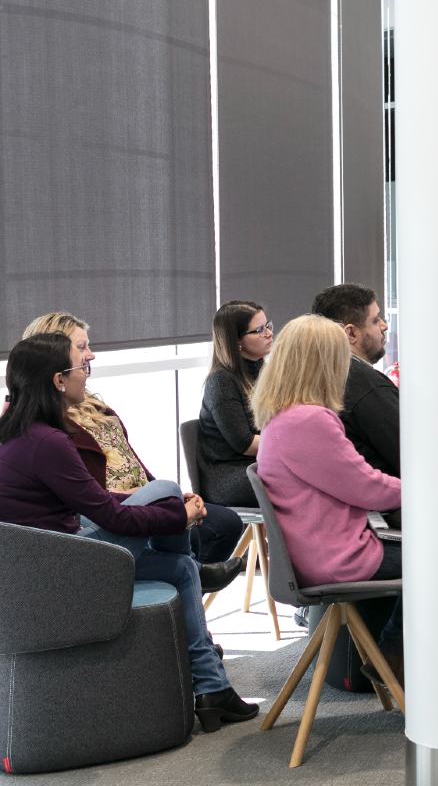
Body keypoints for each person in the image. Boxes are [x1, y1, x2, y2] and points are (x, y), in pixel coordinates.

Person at [0, 334, 258, 731]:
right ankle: (210, 685)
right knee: (168, 492)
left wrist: (171, 513)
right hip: (61, 568)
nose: (86, 374)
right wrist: (180, 517)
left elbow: (96, 504)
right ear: (57, 381)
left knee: (179, 568)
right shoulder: (48, 442)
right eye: (79, 367)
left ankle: (212, 687)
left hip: (41, 562)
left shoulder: (16, 431)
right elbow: (114, 519)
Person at [21, 312, 247, 575]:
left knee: (223, 521)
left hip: (137, 499)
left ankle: (184, 580)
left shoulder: (94, 405)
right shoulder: (49, 429)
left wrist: (169, 496)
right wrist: (166, 503)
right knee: (191, 530)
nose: (91, 355)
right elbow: (86, 496)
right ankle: (187, 576)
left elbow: (131, 460)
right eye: (82, 348)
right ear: (56, 362)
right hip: (111, 510)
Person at [252, 315, 405, 683]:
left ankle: (396, 656)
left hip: (317, 552)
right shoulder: (310, 421)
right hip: (338, 559)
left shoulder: (283, 417)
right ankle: (395, 656)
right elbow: (366, 487)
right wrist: (431, 490)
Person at [311, 284, 398, 477]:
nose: (384, 325)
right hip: (384, 498)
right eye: (375, 320)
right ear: (351, 333)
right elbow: (411, 458)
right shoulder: (365, 387)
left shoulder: (320, 374)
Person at [199, 300, 272, 507]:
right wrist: (291, 444)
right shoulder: (221, 381)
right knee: (307, 478)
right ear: (237, 341)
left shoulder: (263, 370)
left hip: (261, 464)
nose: (268, 333)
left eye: (267, 326)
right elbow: (245, 444)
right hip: (229, 475)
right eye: (259, 330)